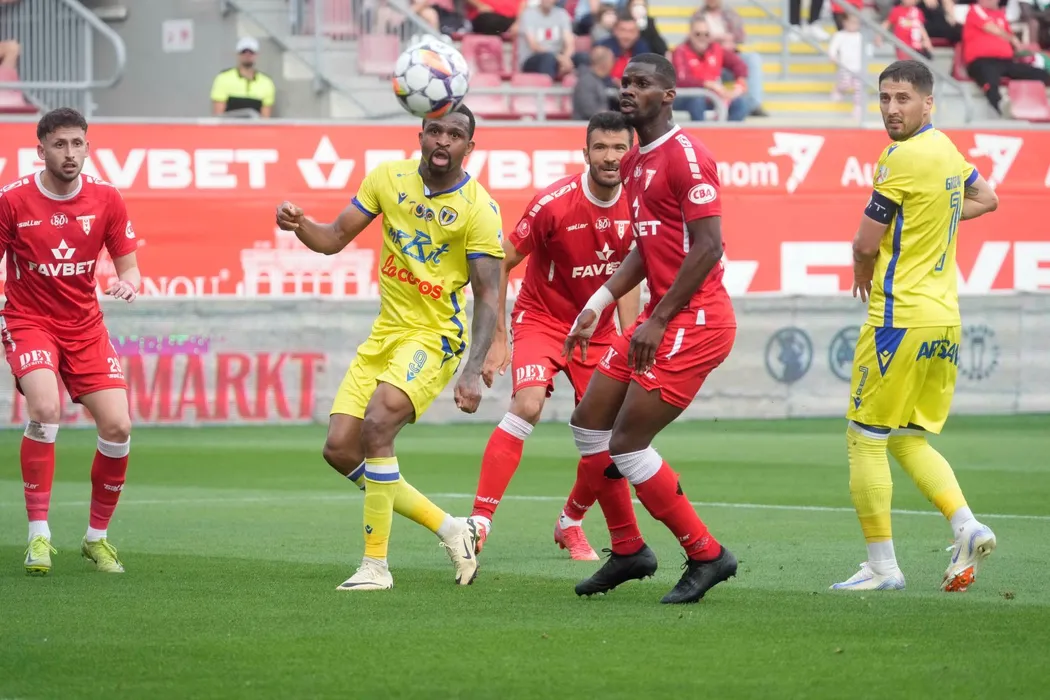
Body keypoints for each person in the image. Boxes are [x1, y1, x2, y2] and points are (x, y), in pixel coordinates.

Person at [275, 105, 503, 592]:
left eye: (455, 135)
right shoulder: (387, 178)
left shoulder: (479, 208)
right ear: (420, 136)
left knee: (378, 425)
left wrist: (472, 368)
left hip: (435, 336)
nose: (443, 141)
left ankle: (375, 566)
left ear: (469, 147)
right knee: (340, 448)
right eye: (435, 131)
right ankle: (452, 529)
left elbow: (488, 294)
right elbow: (333, 238)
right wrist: (299, 223)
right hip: (386, 333)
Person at [563, 54, 739, 605]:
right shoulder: (638, 160)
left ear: (668, 96)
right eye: (625, 83)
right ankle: (628, 549)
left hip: (695, 320)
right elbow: (648, 246)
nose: (628, 91)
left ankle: (707, 554)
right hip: (658, 316)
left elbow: (708, 247)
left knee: (627, 442)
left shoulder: (688, 157)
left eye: (641, 84)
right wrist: (598, 302)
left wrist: (658, 319)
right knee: (588, 424)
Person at [833, 60, 1000, 593]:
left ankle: (882, 568)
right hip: (944, 320)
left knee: (864, 438)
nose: (891, 108)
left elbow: (865, 242)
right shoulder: (947, 150)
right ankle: (967, 526)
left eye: (903, 98)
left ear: (929, 102)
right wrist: (936, 216)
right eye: (884, 97)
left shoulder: (898, 158)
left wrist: (861, 270)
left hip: (897, 318)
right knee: (907, 440)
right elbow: (987, 198)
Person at [466, 111, 640, 561]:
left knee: (610, 437)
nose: (610, 157)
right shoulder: (553, 203)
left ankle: (571, 521)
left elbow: (629, 277)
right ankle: (478, 523)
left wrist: (629, 340)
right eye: (600, 147)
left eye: (619, 148)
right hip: (542, 320)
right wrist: (498, 340)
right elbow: (501, 262)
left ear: (632, 153)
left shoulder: (639, 204)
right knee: (527, 405)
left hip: (597, 331)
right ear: (585, 153)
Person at [0, 108, 142, 576]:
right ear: (40, 149)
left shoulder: (107, 198)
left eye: (77, 143)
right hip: (28, 320)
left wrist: (128, 285)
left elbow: (130, 267)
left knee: (118, 426)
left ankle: (96, 539)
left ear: (87, 146)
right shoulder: (12, 200)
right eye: (59, 144)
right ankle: (38, 535)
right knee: (45, 408)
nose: (70, 153)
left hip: (84, 326)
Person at [210, 37, 277, 118]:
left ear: (256, 55)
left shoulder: (266, 82)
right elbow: (218, 116)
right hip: (230, 125)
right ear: (238, 54)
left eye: (251, 52)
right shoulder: (223, 78)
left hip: (255, 126)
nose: (247, 55)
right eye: (244, 52)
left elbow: (265, 119)